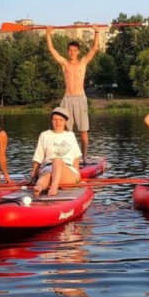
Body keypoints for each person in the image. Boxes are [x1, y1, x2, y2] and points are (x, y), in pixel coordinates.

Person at [46, 26, 101, 162]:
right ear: (67, 51)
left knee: (83, 130)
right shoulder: (64, 63)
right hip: (67, 99)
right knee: (66, 132)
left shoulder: (82, 62)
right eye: (70, 50)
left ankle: (85, 157)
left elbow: (94, 48)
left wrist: (97, 31)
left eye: (74, 50)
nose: (72, 53)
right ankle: (69, 157)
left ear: (78, 52)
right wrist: (48, 33)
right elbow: (51, 50)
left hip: (80, 99)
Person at [29, 106, 82, 196]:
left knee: (57, 160)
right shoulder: (44, 135)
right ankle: (39, 187)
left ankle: (54, 186)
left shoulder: (70, 135)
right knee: (47, 174)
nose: (57, 123)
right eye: (55, 120)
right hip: (48, 168)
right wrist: (32, 177)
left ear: (65, 121)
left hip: (67, 170)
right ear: (51, 120)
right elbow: (38, 159)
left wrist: (77, 175)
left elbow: (76, 157)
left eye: (61, 120)